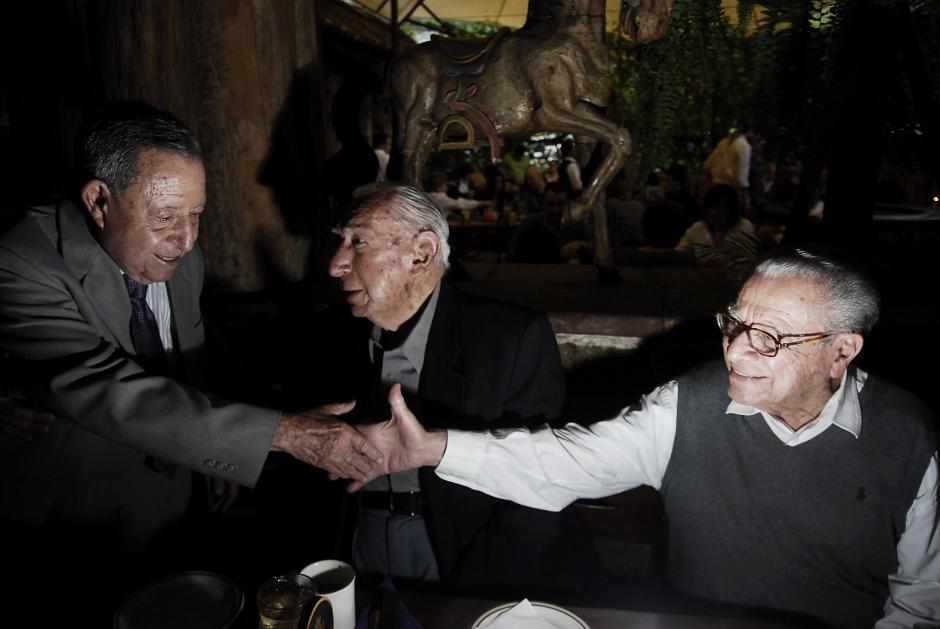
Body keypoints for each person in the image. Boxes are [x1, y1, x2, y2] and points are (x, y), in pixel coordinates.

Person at [352, 244, 940, 629]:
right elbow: (569, 460)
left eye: (771, 338)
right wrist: (433, 448)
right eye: (734, 324)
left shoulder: (907, 437)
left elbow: (920, 601)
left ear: (842, 351)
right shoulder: (688, 404)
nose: (735, 350)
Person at [0, 102, 381, 623]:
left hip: (176, 507)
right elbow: (111, 390)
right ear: (98, 200)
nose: (187, 239)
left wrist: (211, 457)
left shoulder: (182, 259)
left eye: (196, 214)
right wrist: (285, 434)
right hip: (70, 526)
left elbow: (186, 366)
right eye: (164, 218)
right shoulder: (22, 258)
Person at [320, 182, 601, 592]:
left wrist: (473, 598)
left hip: (466, 555)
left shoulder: (508, 339)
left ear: (422, 253)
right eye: (340, 242)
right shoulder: (331, 335)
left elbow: (534, 485)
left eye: (358, 242)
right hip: (354, 545)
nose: (336, 264)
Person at [676, 183, 758, 267]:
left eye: (720, 208)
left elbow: (749, 260)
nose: (714, 213)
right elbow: (678, 255)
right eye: (711, 208)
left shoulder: (743, 227)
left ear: (731, 210)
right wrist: (699, 262)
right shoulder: (697, 228)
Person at [508, 182, 591, 263]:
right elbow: (511, 253)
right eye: (550, 204)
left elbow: (595, 248)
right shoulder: (529, 223)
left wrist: (580, 245)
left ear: (567, 204)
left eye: (560, 204)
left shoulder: (576, 224)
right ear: (542, 203)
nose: (555, 209)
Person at [703, 124, 755, 199]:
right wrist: (744, 190)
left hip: (716, 183)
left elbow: (708, 163)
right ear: (750, 132)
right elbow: (741, 173)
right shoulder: (743, 146)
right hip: (730, 188)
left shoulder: (723, 142)